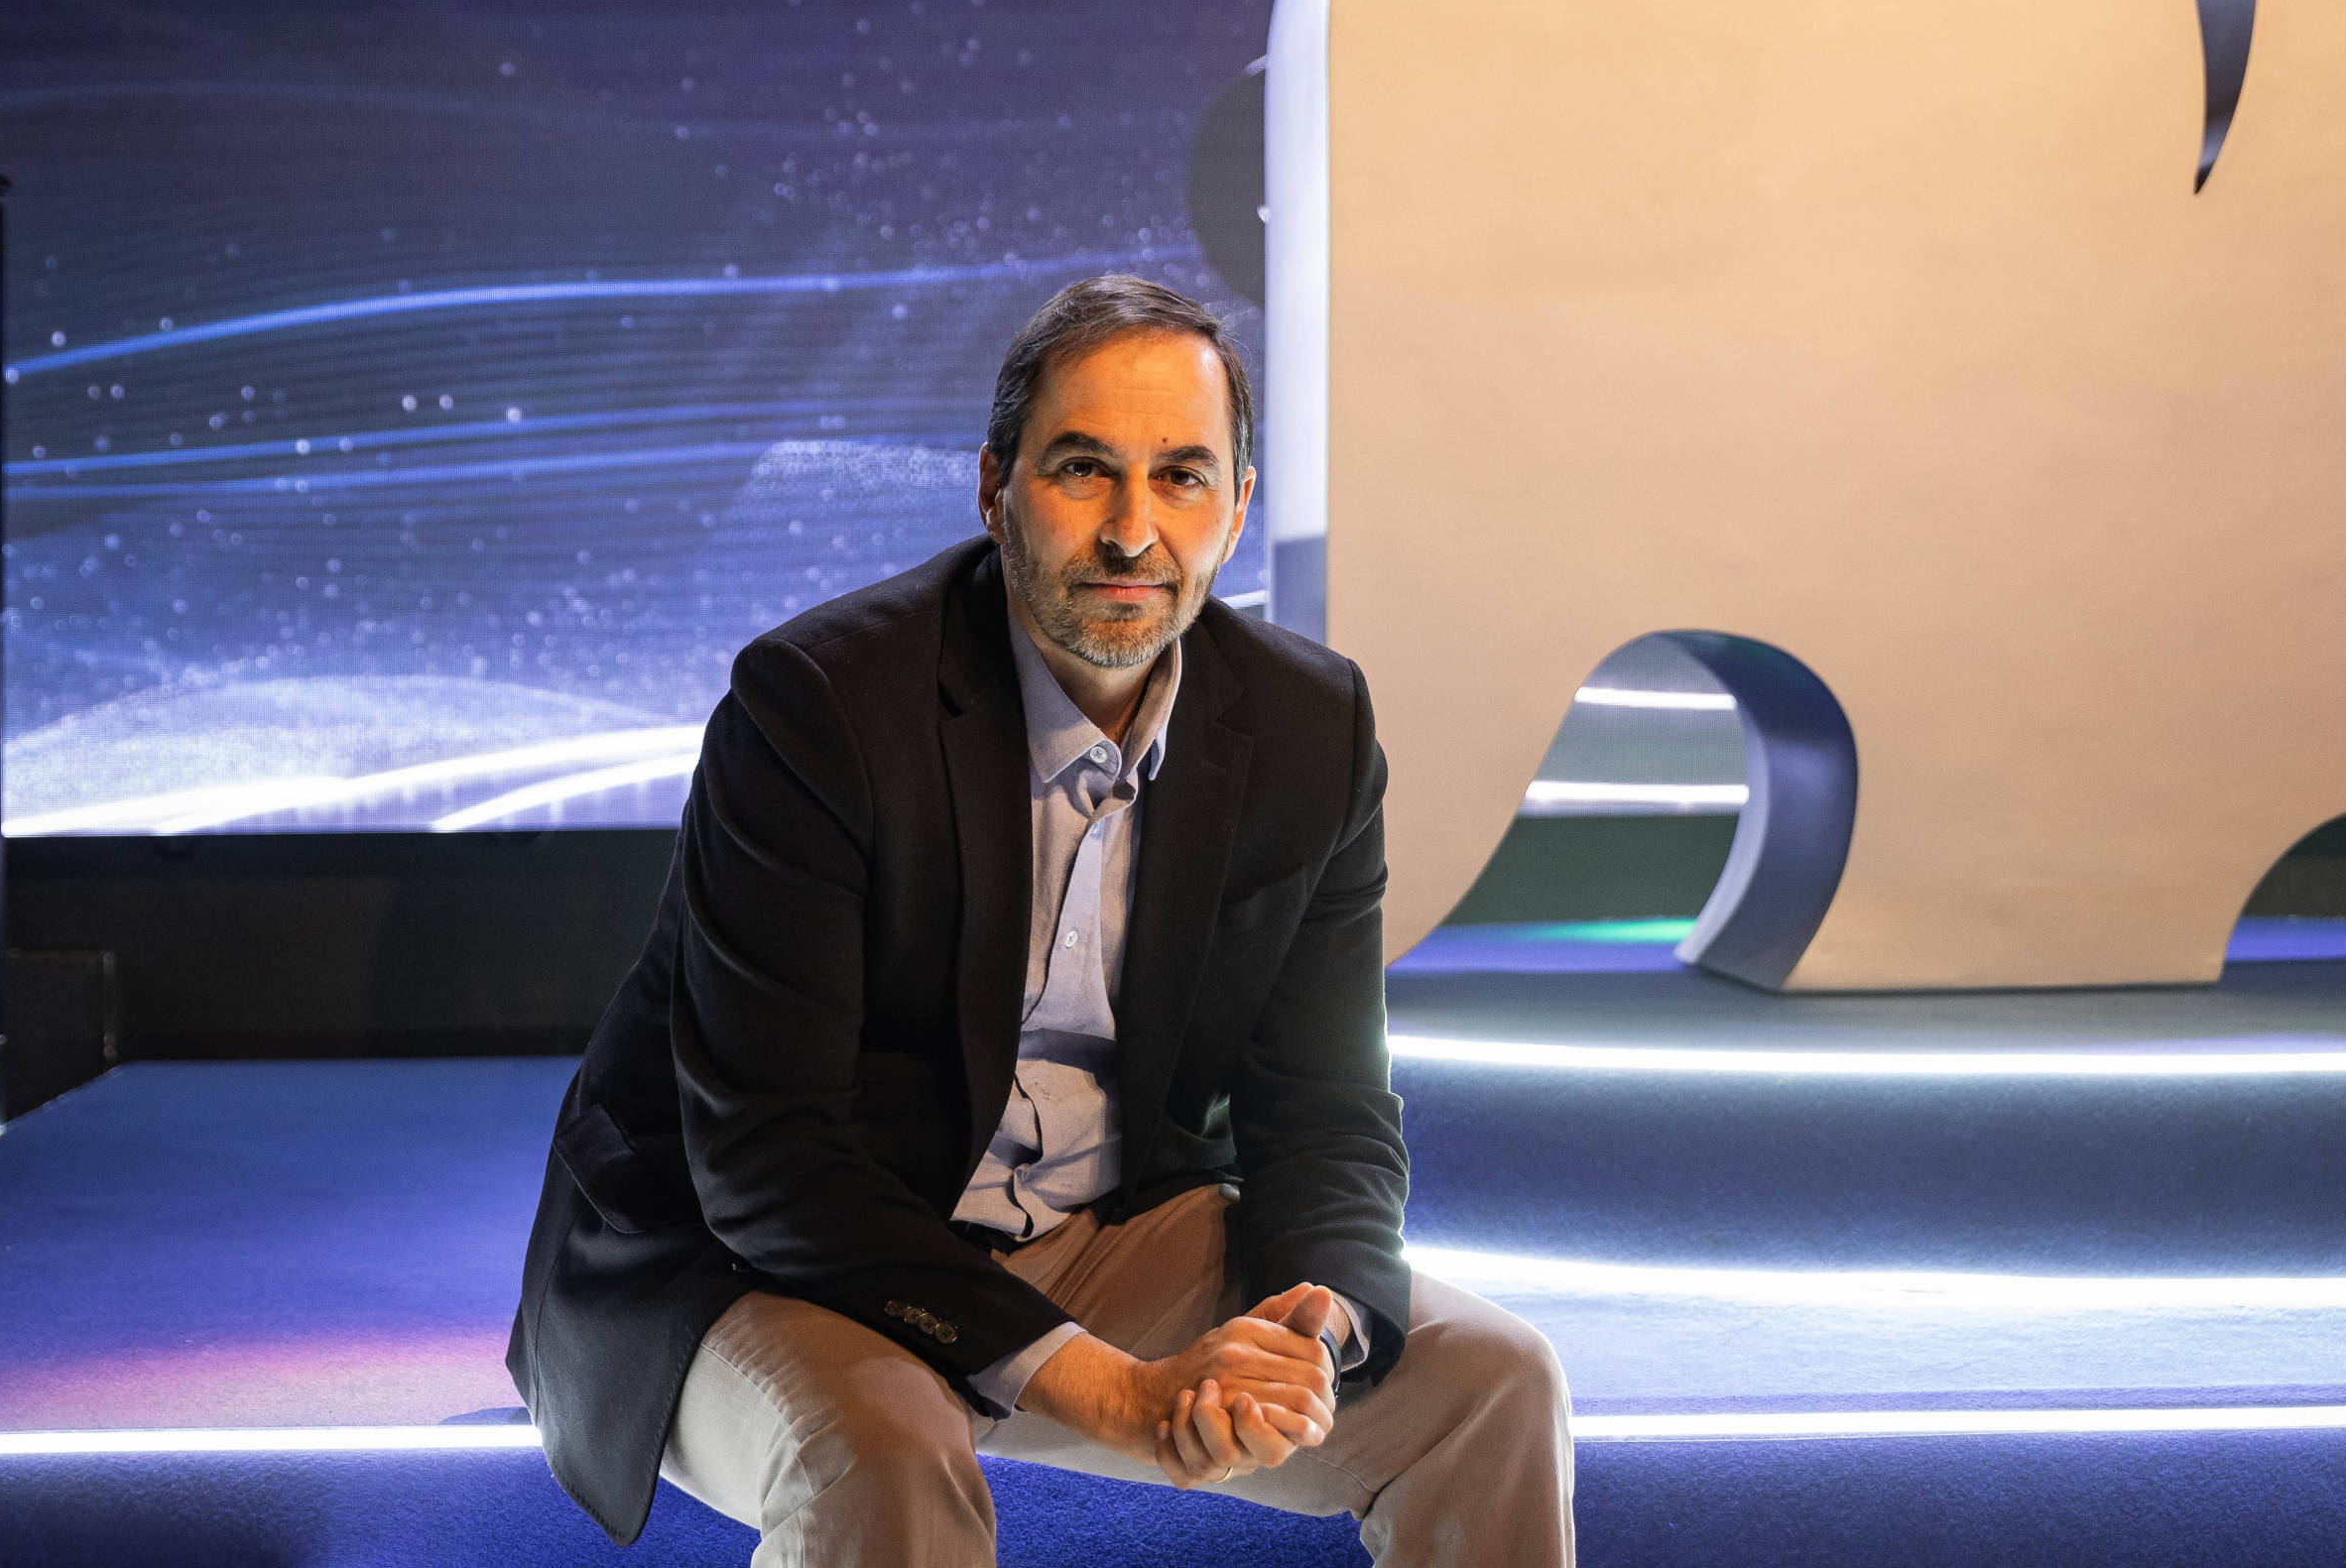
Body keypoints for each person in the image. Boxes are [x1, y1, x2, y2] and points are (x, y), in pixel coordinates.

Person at [506, 275, 1573, 1567]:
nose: (1133, 531)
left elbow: (1329, 1110)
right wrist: (1109, 1387)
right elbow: (770, 1160)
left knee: (1495, 1386)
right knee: (884, 1450)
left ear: (1238, 508)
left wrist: (1310, 1331)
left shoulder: (1311, 728)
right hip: (762, 1257)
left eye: (1182, 477)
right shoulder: (819, 707)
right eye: (1083, 470)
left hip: (1092, 1226)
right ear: (994, 487)